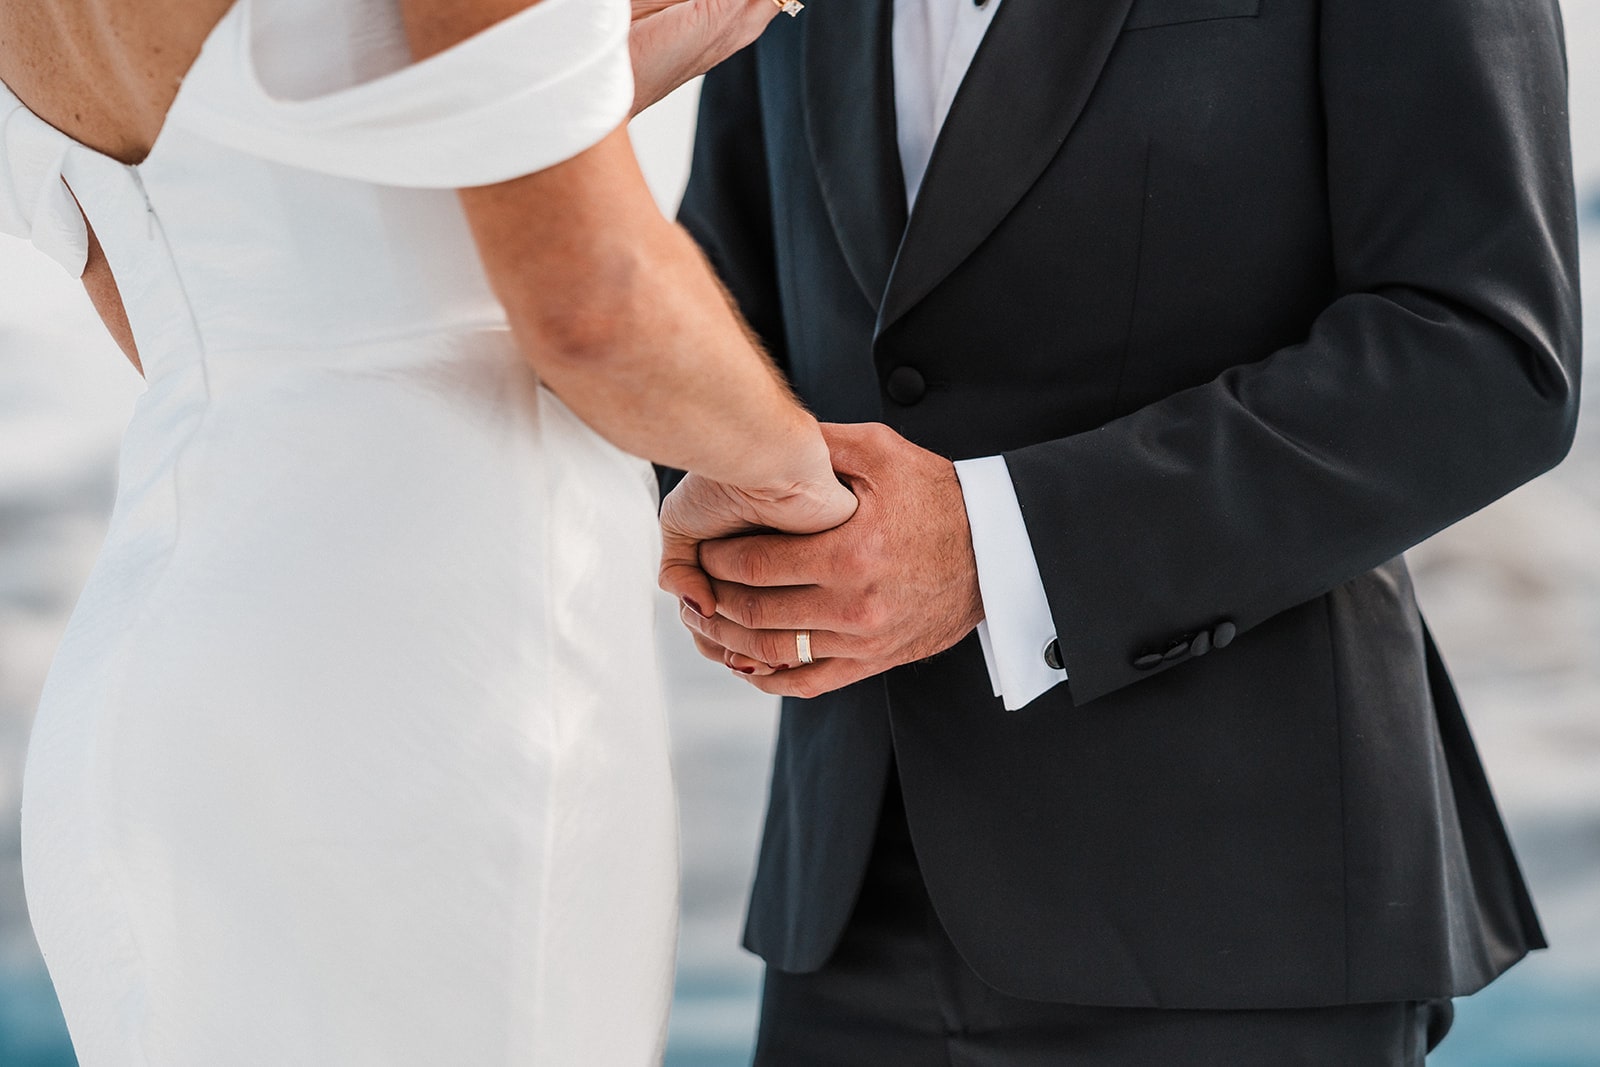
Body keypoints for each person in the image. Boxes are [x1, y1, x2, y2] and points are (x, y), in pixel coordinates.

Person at [663, 0, 1582, 1062]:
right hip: (845, 915)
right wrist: (725, 535)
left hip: (1232, 916)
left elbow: (1481, 355)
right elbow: (718, 294)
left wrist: (994, 548)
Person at [0, 0, 852, 1062]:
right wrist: (801, 482)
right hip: (439, 676)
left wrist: (576, 82)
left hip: (148, 689)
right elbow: (592, 306)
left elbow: (205, 288)